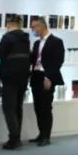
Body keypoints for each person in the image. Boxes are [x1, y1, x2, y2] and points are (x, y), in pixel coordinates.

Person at [0, 17, 31, 150]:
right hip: (23, 76)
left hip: (9, 76)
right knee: (17, 107)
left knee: (8, 108)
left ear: (9, 25)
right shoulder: (26, 38)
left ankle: (13, 138)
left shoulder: (7, 37)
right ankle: (17, 138)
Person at [29, 17, 64, 147]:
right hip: (36, 76)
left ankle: (46, 136)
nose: (33, 30)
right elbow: (33, 60)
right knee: (37, 107)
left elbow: (58, 61)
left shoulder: (57, 42)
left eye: (34, 27)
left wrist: (49, 77)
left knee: (45, 107)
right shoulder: (36, 43)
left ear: (42, 26)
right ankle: (41, 133)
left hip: (47, 77)